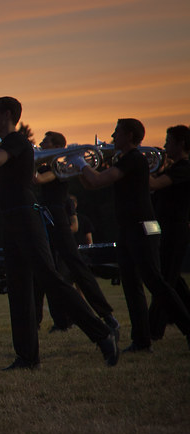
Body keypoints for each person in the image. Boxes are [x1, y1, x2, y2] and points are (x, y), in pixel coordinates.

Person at [0, 96, 118, 369]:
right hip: (11, 219)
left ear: (7, 114)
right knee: (19, 288)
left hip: (25, 216)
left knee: (50, 279)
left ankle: (102, 334)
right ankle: (27, 357)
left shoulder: (16, 142)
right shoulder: (5, 146)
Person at [74, 119, 190, 352]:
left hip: (142, 228)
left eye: (116, 132)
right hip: (128, 228)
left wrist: (79, 160)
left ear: (128, 135)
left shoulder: (134, 159)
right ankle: (141, 340)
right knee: (131, 284)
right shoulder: (125, 160)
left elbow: (97, 179)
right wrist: (75, 168)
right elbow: (91, 186)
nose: (112, 136)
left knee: (156, 282)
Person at [32, 132, 119, 338]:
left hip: (57, 219)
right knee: (44, 273)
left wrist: (26, 161)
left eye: (45, 141)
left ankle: (106, 316)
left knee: (74, 266)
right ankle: (50, 322)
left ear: (56, 146)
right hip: (46, 218)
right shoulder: (48, 164)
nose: (41, 144)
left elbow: (37, 180)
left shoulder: (58, 167)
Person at [148, 125, 190, 339]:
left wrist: (136, 167)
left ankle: (153, 331)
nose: (165, 145)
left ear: (181, 143)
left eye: (168, 141)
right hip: (163, 229)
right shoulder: (174, 168)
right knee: (172, 280)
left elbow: (154, 183)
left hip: (175, 230)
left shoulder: (184, 168)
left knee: (163, 281)